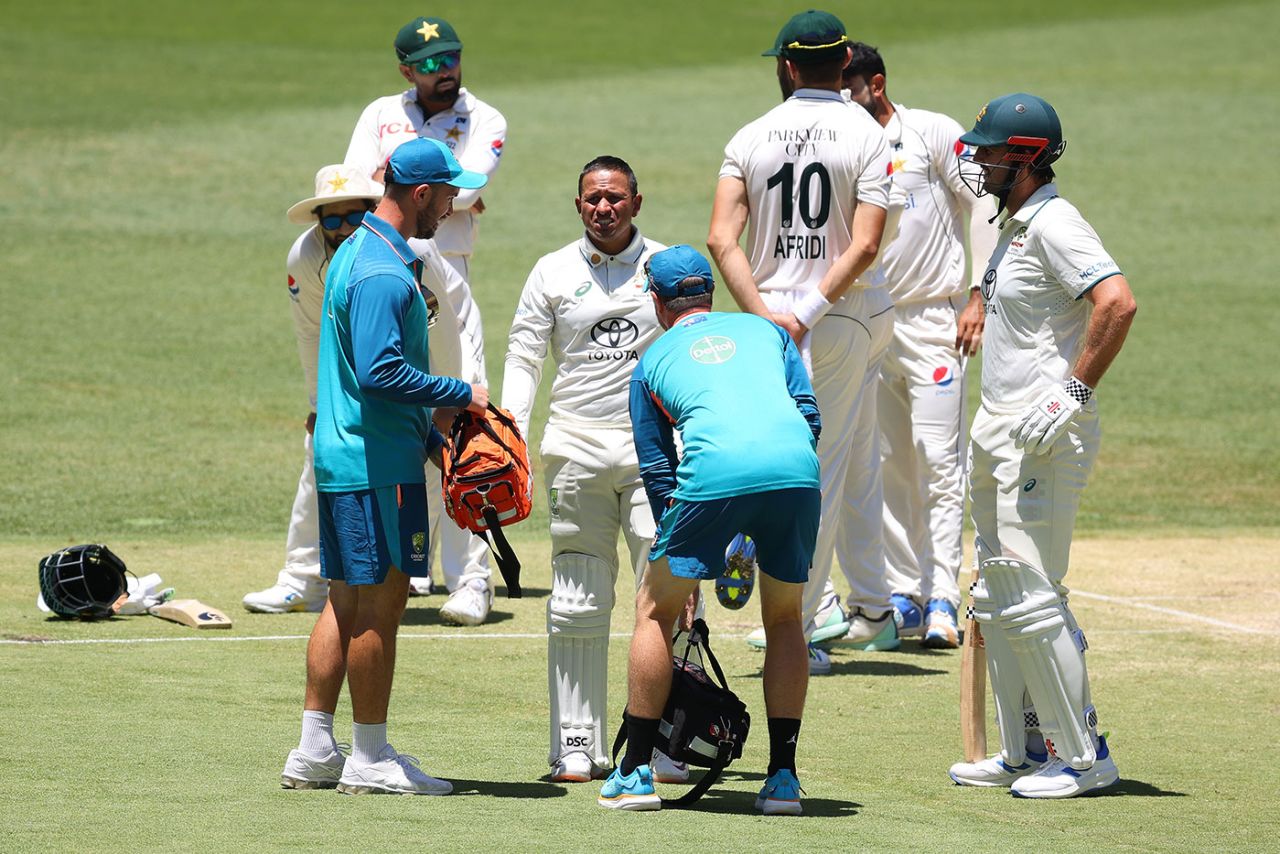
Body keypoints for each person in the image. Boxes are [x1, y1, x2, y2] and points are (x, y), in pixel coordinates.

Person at [280, 138, 489, 795]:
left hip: (353, 454)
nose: (452, 207)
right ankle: (369, 756)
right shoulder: (382, 272)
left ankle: (315, 749)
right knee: (381, 602)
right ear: (420, 193)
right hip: (375, 465)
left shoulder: (356, 253)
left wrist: (429, 439)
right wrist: (461, 395)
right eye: (448, 195)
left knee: (345, 598)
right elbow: (379, 373)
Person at [946, 94, 1136, 798]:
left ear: (1025, 158)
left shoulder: (1057, 223)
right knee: (998, 594)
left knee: (1031, 595)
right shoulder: (1014, 224)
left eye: (991, 150)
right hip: (1001, 428)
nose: (978, 159)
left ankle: (1084, 758)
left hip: (1046, 435)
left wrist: (1073, 392)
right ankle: (1024, 750)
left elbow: (1117, 302)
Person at [707, 10, 898, 672]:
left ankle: (813, 602)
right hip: (841, 315)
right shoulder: (869, 133)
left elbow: (720, 239)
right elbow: (866, 244)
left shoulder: (750, 134)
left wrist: (766, 316)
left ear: (787, 66)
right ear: (844, 63)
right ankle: (815, 622)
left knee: (800, 455)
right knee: (830, 467)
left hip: (769, 317)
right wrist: (808, 312)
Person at [599, 245, 821, 814]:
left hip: (713, 479)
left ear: (657, 301)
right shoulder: (768, 331)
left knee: (654, 610)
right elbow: (809, 417)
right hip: (797, 474)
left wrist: (681, 551)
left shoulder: (650, 361)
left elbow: (658, 469)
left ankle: (635, 773)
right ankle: (783, 780)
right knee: (785, 619)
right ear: (710, 294)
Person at [243, 165, 485, 625]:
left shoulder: (412, 249)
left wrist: (450, 401)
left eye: (352, 216)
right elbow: (314, 333)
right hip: (383, 356)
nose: (342, 228)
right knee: (324, 447)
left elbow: (442, 330)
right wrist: (322, 406)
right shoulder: (306, 257)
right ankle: (303, 578)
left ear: (371, 209)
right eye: (330, 219)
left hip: (449, 343)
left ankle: (471, 580)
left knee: (454, 460)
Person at [501, 156, 676, 784]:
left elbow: (693, 348)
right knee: (577, 597)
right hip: (575, 445)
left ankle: (665, 743)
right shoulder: (551, 270)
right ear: (578, 205)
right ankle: (577, 744)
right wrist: (511, 435)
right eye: (593, 199)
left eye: (615, 198)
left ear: (636, 202)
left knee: (671, 592)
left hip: (655, 450)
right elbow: (524, 355)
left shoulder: (667, 266)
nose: (604, 209)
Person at [841, 43, 999, 648]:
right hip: (874, 317)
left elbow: (984, 203)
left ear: (877, 84)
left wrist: (978, 295)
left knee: (938, 461)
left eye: (851, 86)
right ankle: (903, 593)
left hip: (936, 317)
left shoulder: (931, 132)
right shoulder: (847, 142)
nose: (843, 97)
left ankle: (941, 598)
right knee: (887, 464)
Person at [345, 15, 506, 601]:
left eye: (451, 58)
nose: (445, 71)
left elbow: (467, 188)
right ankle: (415, 563)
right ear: (406, 70)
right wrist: (447, 197)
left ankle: (471, 579)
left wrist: (440, 194)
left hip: (449, 274)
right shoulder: (379, 112)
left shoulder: (485, 117)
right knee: (407, 409)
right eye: (431, 63)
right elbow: (356, 183)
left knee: (458, 418)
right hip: (390, 263)